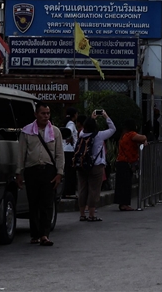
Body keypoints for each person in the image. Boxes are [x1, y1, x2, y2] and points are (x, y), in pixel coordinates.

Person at [16, 103, 64, 246]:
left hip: (49, 171)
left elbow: (59, 154)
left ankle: (44, 235)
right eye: (43, 113)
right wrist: (19, 173)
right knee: (34, 203)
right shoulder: (26, 132)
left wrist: (59, 173)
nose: (46, 116)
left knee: (47, 203)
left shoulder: (55, 132)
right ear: (36, 114)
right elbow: (21, 154)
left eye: (48, 113)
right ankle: (35, 234)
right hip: (32, 171)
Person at [75, 109, 116, 222]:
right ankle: (91, 215)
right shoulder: (99, 135)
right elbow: (113, 129)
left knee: (82, 189)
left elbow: (86, 127)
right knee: (94, 190)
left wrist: (91, 118)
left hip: (82, 165)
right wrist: (106, 116)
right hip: (96, 166)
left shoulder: (81, 134)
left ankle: (82, 214)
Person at [113, 120, 146, 211]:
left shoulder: (123, 135)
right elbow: (143, 137)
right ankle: (124, 204)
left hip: (121, 161)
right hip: (126, 162)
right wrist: (145, 140)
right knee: (126, 184)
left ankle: (122, 203)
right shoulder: (131, 134)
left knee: (121, 184)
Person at [62, 107, 79, 197]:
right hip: (70, 150)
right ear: (74, 114)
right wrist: (69, 137)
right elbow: (69, 131)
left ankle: (67, 191)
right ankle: (69, 192)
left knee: (68, 172)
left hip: (65, 149)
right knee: (70, 172)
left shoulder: (65, 122)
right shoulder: (71, 124)